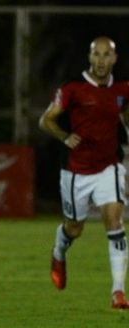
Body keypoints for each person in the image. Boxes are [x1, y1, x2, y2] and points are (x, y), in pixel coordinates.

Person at [39, 36, 129, 309]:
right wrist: (66, 137)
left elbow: (124, 114)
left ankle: (118, 291)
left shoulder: (123, 89)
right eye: (97, 55)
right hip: (76, 171)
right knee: (74, 228)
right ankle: (59, 251)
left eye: (107, 55)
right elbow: (46, 121)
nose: (101, 60)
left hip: (109, 167)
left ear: (114, 59)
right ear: (90, 58)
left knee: (115, 222)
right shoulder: (73, 89)